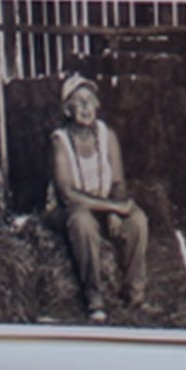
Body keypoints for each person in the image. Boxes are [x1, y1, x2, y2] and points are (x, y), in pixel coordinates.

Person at [49, 73, 149, 322]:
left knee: (137, 220)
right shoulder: (59, 141)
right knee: (82, 220)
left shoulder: (107, 135)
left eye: (90, 100)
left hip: (102, 204)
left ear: (97, 105)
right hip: (66, 211)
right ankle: (94, 298)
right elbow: (68, 195)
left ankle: (134, 293)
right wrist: (112, 206)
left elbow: (118, 182)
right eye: (78, 101)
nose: (85, 107)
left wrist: (115, 211)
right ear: (67, 109)